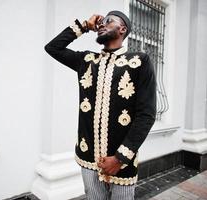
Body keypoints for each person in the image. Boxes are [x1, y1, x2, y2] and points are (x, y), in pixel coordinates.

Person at [44, 10, 156, 200]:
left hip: (122, 161)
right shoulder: (87, 61)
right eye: (101, 22)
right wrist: (84, 26)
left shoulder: (139, 61)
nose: (102, 24)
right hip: (88, 158)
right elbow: (53, 48)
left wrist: (120, 158)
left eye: (109, 21)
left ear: (122, 29)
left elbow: (146, 114)